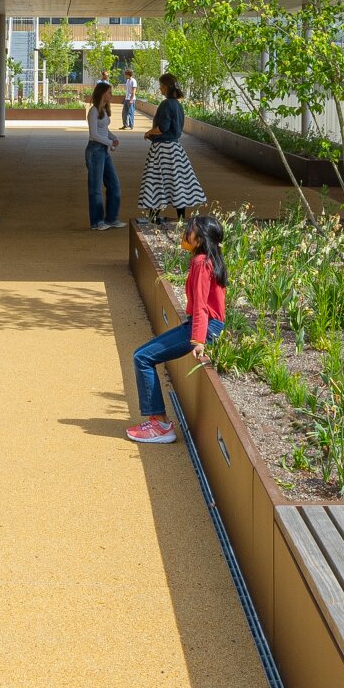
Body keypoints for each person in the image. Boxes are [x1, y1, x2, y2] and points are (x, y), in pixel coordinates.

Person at [128, 215, 227, 444]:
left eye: (190, 231)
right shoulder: (209, 259)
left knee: (142, 357)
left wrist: (198, 340)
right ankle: (158, 422)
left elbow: (202, 306)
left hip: (204, 327)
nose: (185, 234)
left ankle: (161, 426)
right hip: (204, 325)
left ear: (200, 239)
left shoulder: (202, 263)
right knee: (142, 355)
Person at [138, 72, 205, 224]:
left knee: (157, 182)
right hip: (175, 149)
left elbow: (162, 128)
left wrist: (149, 132)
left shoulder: (166, 104)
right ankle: (181, 217)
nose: (160, 88)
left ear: (166, 87)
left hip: (162, 149)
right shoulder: (178, 105)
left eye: (161, 86)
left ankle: (153, 216)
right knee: (178, 182)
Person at [84, 80, 122, 230]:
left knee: (114, 184)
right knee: (95, 187)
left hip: (103, 150)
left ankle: (111, 218)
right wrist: (109, 142)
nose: (111, 95)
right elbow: (94, 134)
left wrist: (113, 138)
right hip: (95, 151)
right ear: (102, 93)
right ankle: (97, 222)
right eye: (109, 92)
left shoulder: (104, 111)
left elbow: (104, 130)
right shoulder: (93, 111)